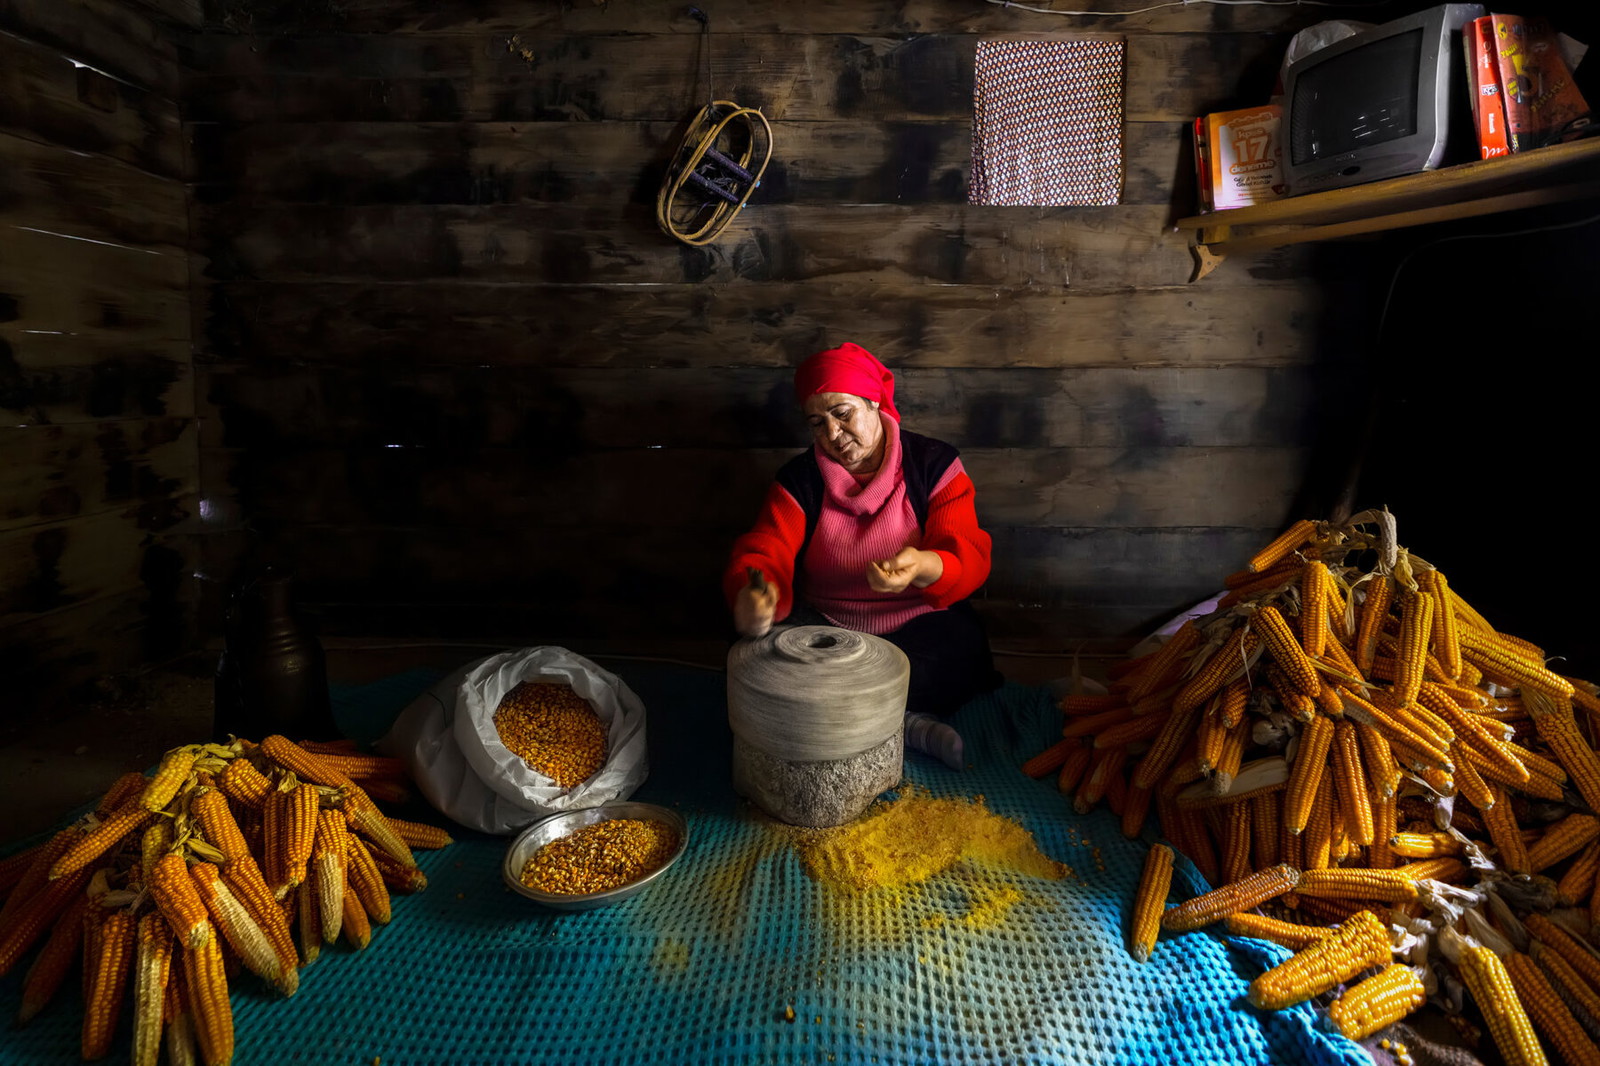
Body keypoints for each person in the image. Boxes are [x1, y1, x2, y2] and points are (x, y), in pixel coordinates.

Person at [723, 342, 1003, 770]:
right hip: (828, 626)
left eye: (843, 413)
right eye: (817, 423)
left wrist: (923, 566)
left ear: (874, 401)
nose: (833, 435)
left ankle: (893, 722)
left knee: (959, 654)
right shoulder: (799, 481)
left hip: (916, 622)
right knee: (762, 657)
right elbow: (766, 550)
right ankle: (905, 723)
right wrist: (756, 596)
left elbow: (964, 551)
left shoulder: (934, 464)